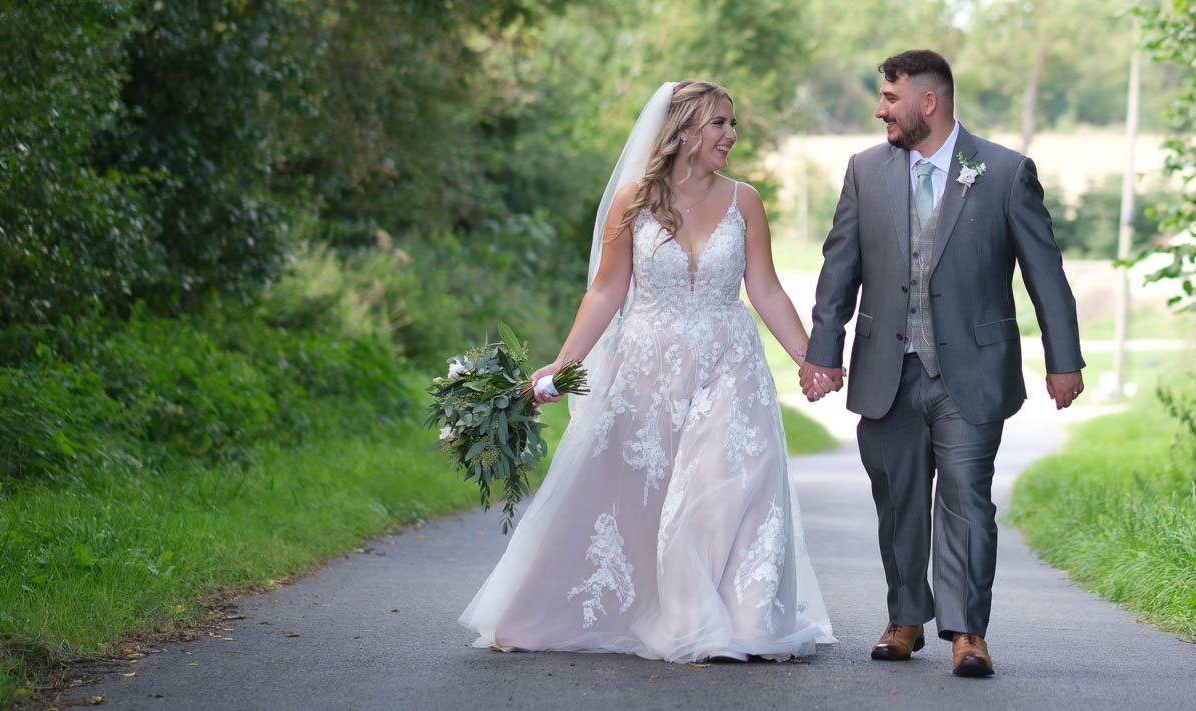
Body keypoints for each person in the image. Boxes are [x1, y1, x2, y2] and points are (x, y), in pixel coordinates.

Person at [459, 80, 836, 663]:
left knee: (725, 483)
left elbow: (764, 287)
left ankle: (739, 620)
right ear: (683, 131)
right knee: (638, 496)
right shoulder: (633, 200)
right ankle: (667, 615)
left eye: (732, 124)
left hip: (730, 363)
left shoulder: (745, 201)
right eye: (719, 123)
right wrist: (564, 364)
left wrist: (808, 358)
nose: (731, 135)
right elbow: (606, 290)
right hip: (647, 367)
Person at [800, 49, 1085, 678]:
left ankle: (967, 631)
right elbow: (838, 268)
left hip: (973, 371)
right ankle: (905, 619)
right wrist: (824, 352)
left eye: (890, 97)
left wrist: (1063, 359)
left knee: (966, 500)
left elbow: (1045, 273)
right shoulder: (864, 171)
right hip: (887, 367)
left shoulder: (1004, 171)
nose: (880, 110)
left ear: (928, 101)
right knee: (898, 500)